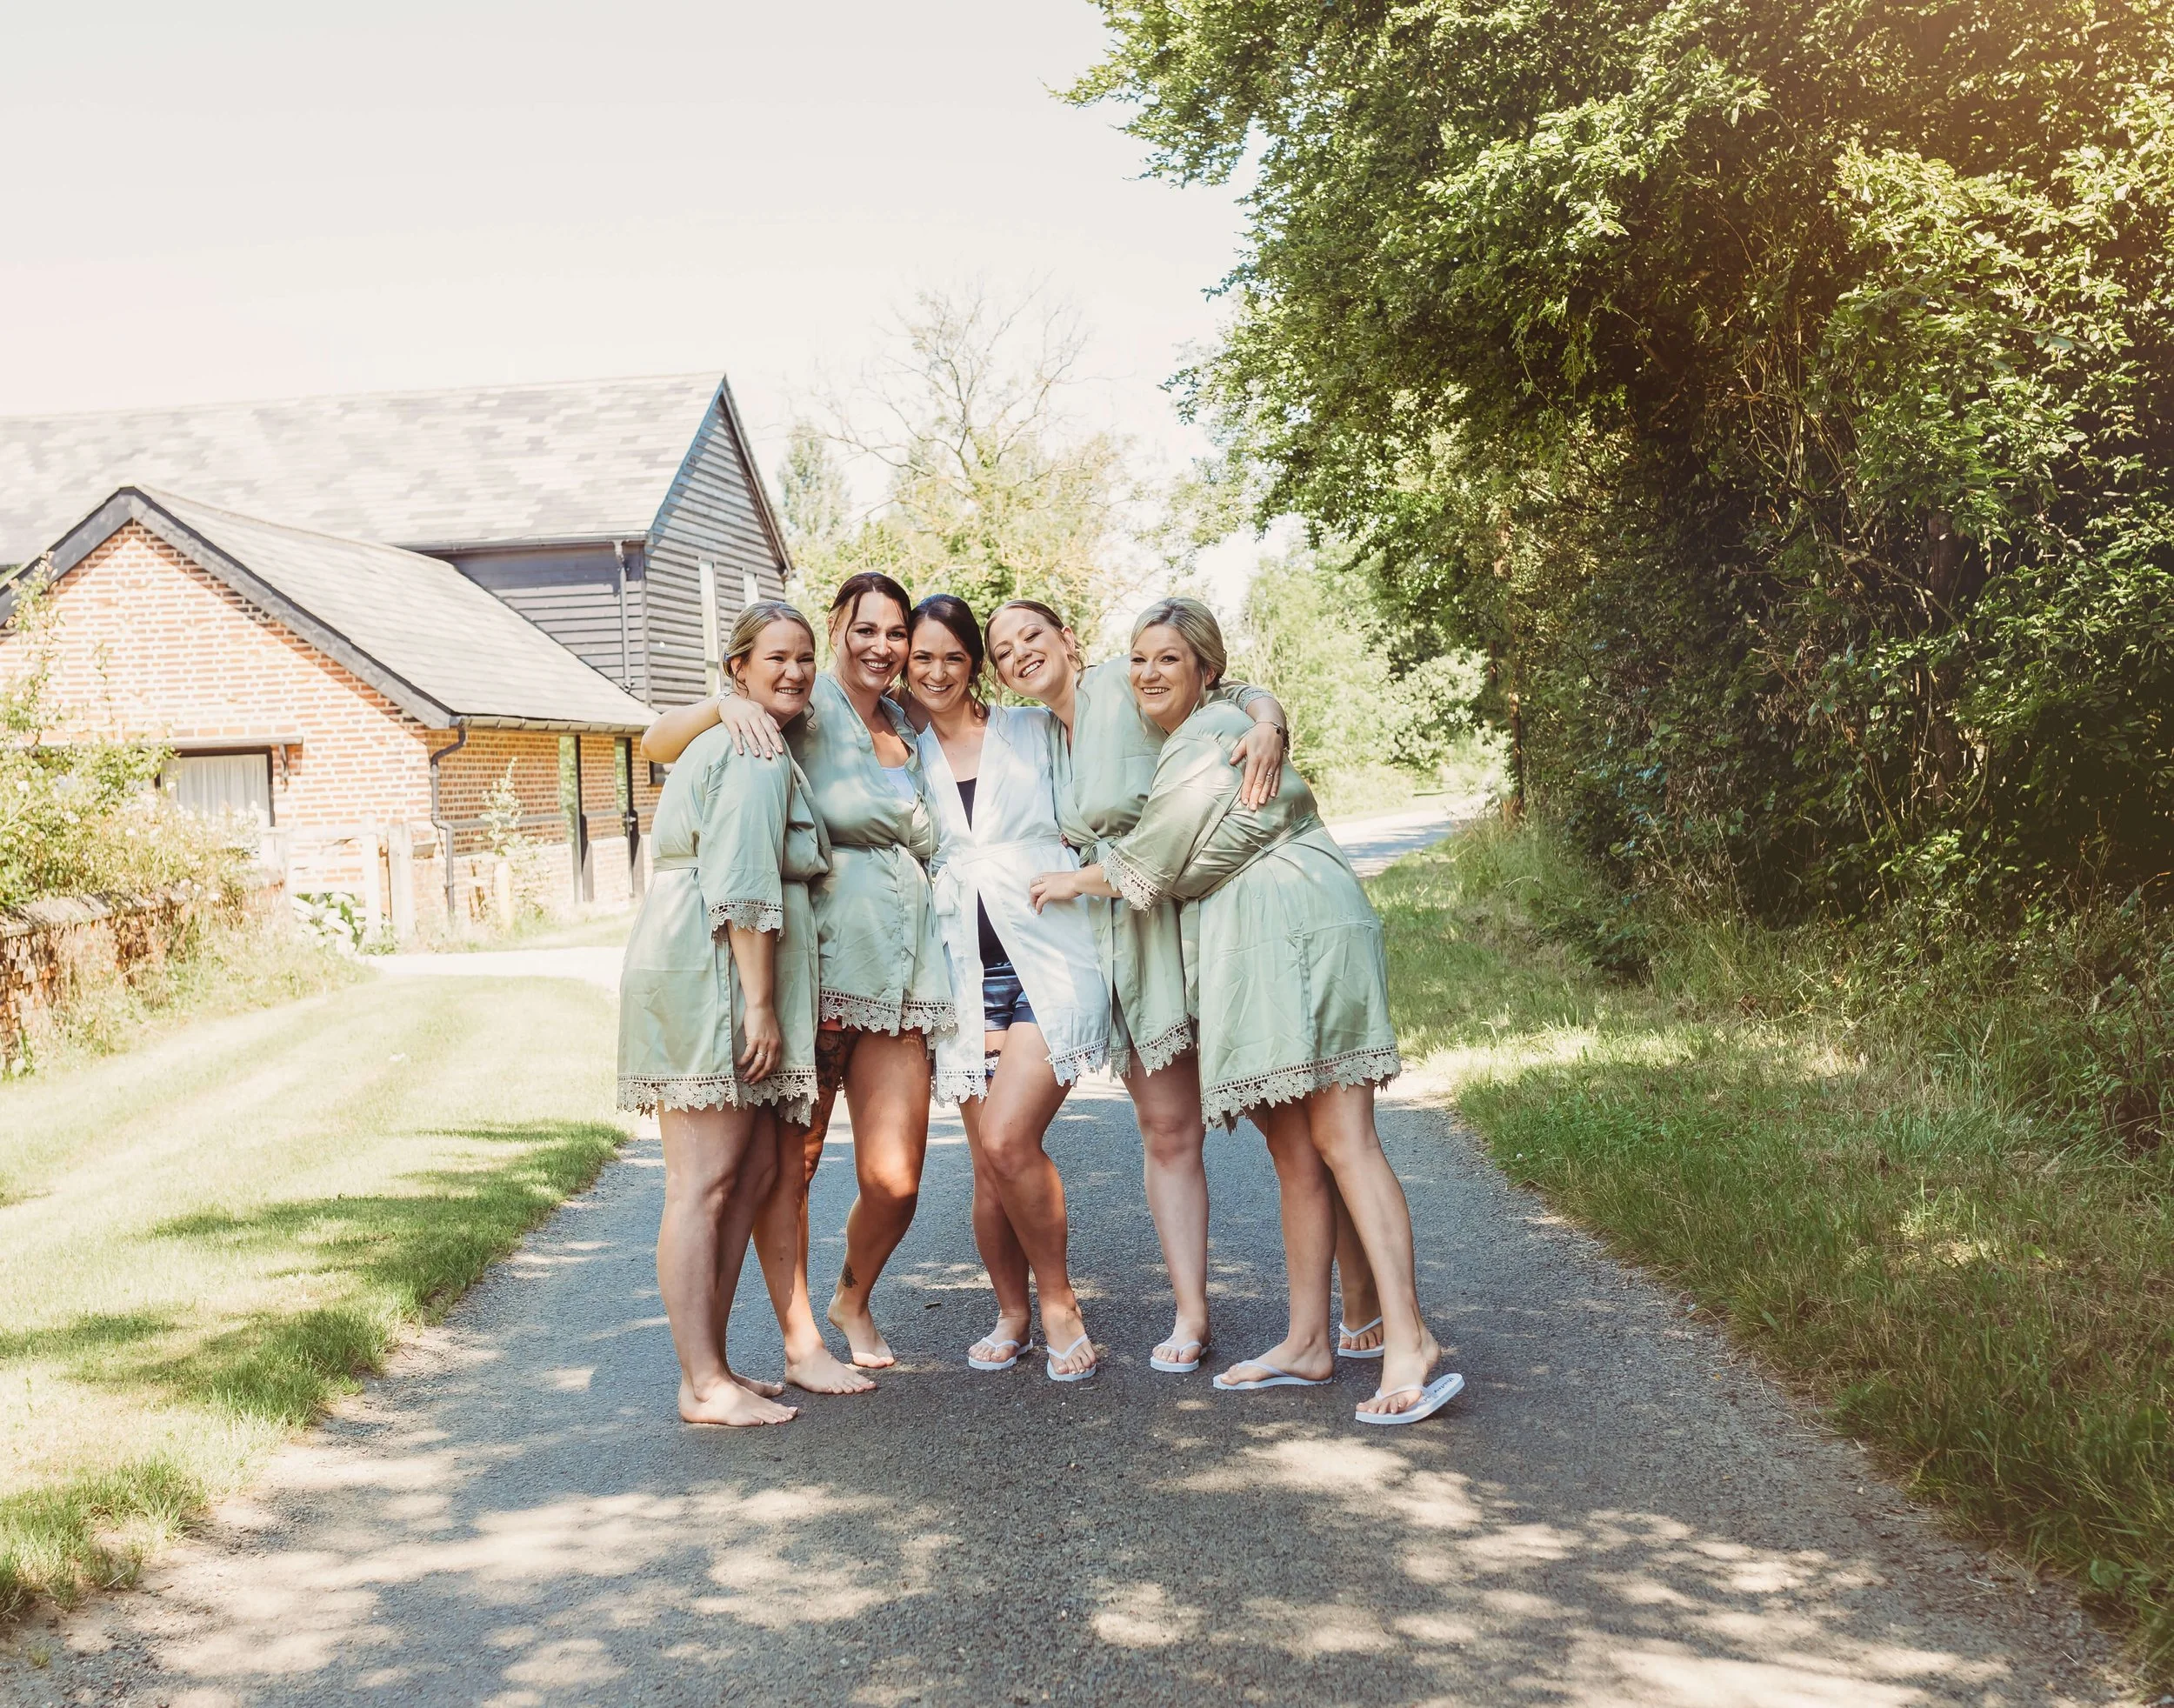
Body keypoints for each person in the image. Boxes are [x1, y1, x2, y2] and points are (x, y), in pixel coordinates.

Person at [1030, 598, 1461, 1425]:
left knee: (1341, 1138)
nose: (1150, 672)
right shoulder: (1207, 728)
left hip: (1292, 923)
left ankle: (1409, 1339)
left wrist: (1069, 881)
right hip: (1251, 933)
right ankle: (1309, 1340)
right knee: (1297, 1149)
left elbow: (1153, 862)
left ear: (1206, 671)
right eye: (1140, 659)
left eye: (1169, 659)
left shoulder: (1206, 738)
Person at [643, 573, 950, 1393]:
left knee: (892, 1177)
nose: (881, 647)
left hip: (896, 971)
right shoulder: (792, 716)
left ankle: (838, 1306)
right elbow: (654, 742)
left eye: (897, 633)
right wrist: (721, 704)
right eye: (864, 629)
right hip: (806, 967)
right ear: (837, 630)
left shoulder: (910, 721)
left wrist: (1257, 708)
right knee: (774, 1171)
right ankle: (781, 1344)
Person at [617, 601, 830, 1428]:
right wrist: (763, 1004)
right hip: (712, 971)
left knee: (725, 1180)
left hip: (694, 960)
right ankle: (702, 1384)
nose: (795, 671)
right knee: (701, 1185)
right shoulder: (751, 751)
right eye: (776, 657)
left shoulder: (740, 739)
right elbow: (743, 881)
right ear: (737, 669)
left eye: (806, 657)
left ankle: (711, 1369)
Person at [906, 595, 1110, 1380]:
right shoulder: (898, 750)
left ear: (976, 666)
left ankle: (1059, 1304)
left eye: (953, 657)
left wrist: (1259, 713)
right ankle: (1012, 1313)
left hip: (1048, 961)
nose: (936, 671)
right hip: (960, 971)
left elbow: (1124, 713)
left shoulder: (1028, 730)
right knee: (988, 1162)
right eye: (922, 657)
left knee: (1006, 1138)